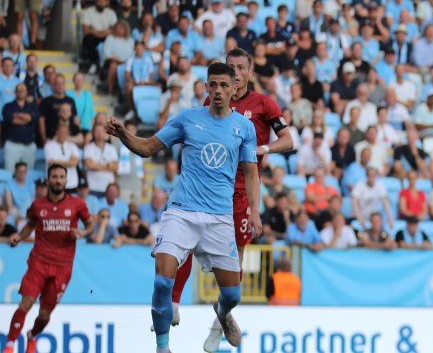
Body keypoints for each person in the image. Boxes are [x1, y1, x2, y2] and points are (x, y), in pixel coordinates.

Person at [104, 62, 260, 353]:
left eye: (224, 85)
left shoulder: (244, 128)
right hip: (182, 211)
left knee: (233, 294)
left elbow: (251, 173)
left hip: (219, 218)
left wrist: (256, 210)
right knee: (162, 282)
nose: (217, 91)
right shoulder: (187, 119)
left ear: (234, 88)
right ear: (205, 87)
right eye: (212, 85)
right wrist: (124, 135)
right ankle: (162, 348)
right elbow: (148, 148)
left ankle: (223, 314)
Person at [167, 48, 293, 351]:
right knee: (190, 243)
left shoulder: (264, 104)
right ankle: (172, 302)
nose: (235, 74)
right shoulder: (214, 100)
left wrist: (262, 150)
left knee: (235, 255)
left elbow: (288, 140)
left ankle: (219, 321)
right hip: (211, 187)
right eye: (230, 68)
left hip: (242, 193)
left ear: (249, 71)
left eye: (240, 68)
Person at [3, 164, 94, 353]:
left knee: (44, 316)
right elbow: (30, 224)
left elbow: (91, 224)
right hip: (38, 262)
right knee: (26, 303)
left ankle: (32, 336)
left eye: (62, 176)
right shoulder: (38, 205)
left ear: (66, 181)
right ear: (48, 179)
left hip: (62, 267)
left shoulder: (77, 205)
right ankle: (9, 345)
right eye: (54, 176)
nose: (58, 180)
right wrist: (19, 237)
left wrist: (82, 232)